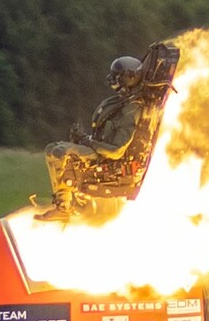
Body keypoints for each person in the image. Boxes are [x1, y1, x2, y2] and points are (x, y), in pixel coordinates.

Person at [38, 56, 145, 220]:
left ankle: (65, 207)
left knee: (61, 152)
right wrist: (83, 139)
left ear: (128, 77)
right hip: (101, 151)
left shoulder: (131, 109)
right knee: (51, 149)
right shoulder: (120, 103)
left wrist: (85, 140)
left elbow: (116, 151)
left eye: (117, 75)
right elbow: (103, 137)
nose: (112, 79)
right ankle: (63, 202)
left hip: (109, 158)